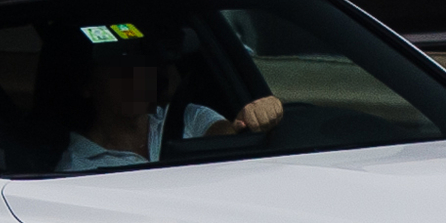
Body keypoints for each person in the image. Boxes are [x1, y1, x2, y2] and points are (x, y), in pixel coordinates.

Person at [57, 37, 282, 172]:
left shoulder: (187, 117)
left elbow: (228, 135)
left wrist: (255, 117)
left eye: (140, 68)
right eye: (119, 72)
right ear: (88, 85)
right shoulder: (75, 166)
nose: (134, 80)